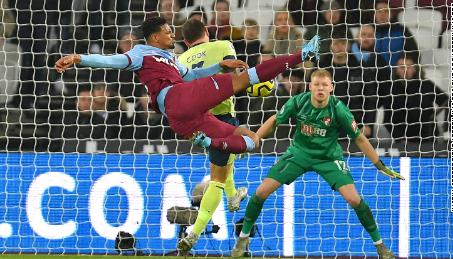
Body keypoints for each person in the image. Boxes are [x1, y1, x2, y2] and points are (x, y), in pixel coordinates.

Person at [55, 16, 321, 159]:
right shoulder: (140, 53)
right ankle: (303, 56)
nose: (173, 35)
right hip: (176, 100)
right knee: (246, 78)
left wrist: (219, 67)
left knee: (252, 139)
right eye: (169, 31)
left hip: (184, 118)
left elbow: (193, 75)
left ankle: (209, 142)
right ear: (155, 36)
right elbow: (110, 61)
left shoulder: (171, 59)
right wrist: (79, 58)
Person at [231, 69, 404, 259]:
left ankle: (380, 247)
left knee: (354, 199)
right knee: (261, 192)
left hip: (329, 158)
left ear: (331, 88)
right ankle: (243, 238)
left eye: (324, 85)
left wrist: (379, 165)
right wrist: (254, 140)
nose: (320, 88)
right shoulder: (299, 101)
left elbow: (360, 139)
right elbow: (275, 120)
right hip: (299, 153)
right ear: (310, 87)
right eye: (316, 85)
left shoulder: (339, 109)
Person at [176, 18, 249, 252]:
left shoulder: (180, 60)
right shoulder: (223, 46)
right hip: (222, 118)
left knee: (224, 161)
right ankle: (194, 232)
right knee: (216, 177)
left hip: (196, 122)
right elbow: (235, 74)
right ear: (206, 32)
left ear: (186, 42)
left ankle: (233, 195)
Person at [378, 56, 448, 140]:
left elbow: (448, 102)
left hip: (429, 137)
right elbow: (387, 119)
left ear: (415, 68)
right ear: (396, 70)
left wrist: (449, 129)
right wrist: (399, 139)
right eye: (401, 66)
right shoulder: (390, 89)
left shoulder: (426, 85)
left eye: (409, 66)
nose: (405, 69)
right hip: (403, 140)